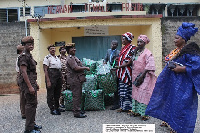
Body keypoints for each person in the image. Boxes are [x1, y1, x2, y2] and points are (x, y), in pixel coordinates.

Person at [145, 22, 199, 133]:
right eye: (174, 38)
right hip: (173, 83)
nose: (174, 40)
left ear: (183, 39)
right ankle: (172, 126)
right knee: (172, 103)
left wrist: (181, 69)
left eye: (177, 38)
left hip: (184, 85)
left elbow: (197, 66)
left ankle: (181, 129)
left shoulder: (190, 52)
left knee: (182, 106)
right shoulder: (175, 51)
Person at [18, 36, 42, 133]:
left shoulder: (29, 55)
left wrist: (35, 84)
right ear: (24, 46)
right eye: (28, 44)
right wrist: (30, 86)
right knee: (30, 104)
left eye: (32, 44)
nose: (31, 46)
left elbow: (31, 72)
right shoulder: (23, 56)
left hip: (32, 82)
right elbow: (24, 73)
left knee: (33, 104)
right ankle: (28, 129)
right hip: (27, 84)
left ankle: (32, 123)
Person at [130, 35, 157, 121]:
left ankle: (144, 114)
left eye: (140, 42)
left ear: (145, 43)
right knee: (135, 93)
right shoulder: (137, 52)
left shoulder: (148, 53)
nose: (138, 43)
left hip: (144, 76)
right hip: (135, 76)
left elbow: (150, 65)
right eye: (138, 42)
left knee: (143, 93)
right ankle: (135, 111)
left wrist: (142, 75)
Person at [65, 43, 90, 118]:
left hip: (77, 79)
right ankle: (76, 112)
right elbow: (75, 68)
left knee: (78, 95)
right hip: (74, 79)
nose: (74, 49)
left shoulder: (73, 57)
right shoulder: (70, 58)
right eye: (72, 48)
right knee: (76, 96)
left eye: (74, 48)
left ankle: (78, 109)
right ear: (68, 50)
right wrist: (85, 68)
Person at [115, 32, 136, 112]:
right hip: (121, 72)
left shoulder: (132, 48)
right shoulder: (123, 48)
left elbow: (129, 61)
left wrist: (119, 66)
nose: (122, 40)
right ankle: (123, 107)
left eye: (124, 39)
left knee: (127, 90)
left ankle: (129, 107)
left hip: (127, 73)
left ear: (128, 40)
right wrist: (118, 59)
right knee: (121, 90)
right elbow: (122, 57)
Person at [43, 44, 63, 115]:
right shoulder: (47, 58)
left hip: (58, 75)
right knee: (50, 93)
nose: (53, 50)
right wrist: (48, 80)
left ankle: (57, 107)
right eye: (51, 49)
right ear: (49, 50)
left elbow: (59, 68)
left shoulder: (57, 58)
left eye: (54, 48)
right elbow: (45, 69)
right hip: (51, 75)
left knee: (57, 93)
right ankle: (52, 108)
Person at [103, 40, 120, 110]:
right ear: (111, 44)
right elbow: (105, 59)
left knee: (116, 87)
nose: (113, 45)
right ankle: (108, 101)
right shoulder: (108, 51)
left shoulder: (118, 53)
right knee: (109, 85)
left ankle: (116, 104)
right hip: (109, 71)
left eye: (115, 44)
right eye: (112, 44)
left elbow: (120, 62)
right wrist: (104, 62)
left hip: (116, 71)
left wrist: (117, 60)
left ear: (117, 46)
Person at [16, 44, 26, 119]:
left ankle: (26, 112)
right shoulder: (19, 58)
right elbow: (19, 71)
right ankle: (23, 113)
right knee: (23, 96)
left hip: (25, 77)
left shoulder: (24, 57)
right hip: (21, 77)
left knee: (26, 96)